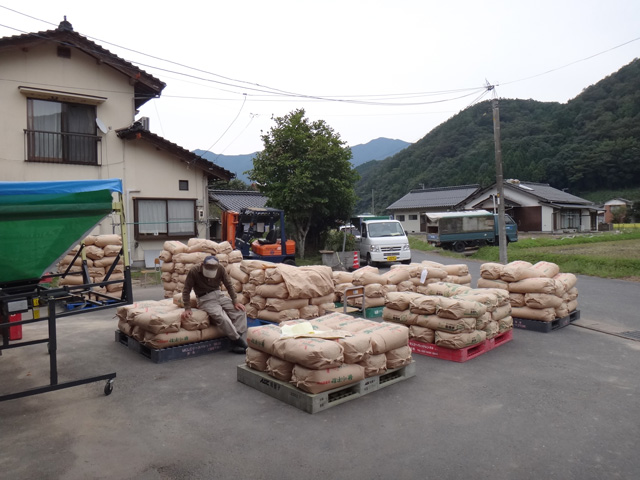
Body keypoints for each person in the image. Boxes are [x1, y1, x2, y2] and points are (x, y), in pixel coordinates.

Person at [180, 255, 248, 354]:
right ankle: (238, 341)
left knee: (240, 312)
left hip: (219, 295)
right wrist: (187, 308)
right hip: (204, 298)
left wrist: (235, 301)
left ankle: (234, 340)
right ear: (202, 265)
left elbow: (228, 284)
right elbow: (186, 290)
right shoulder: (194, 271)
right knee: (223, 318)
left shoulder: (220, 268)